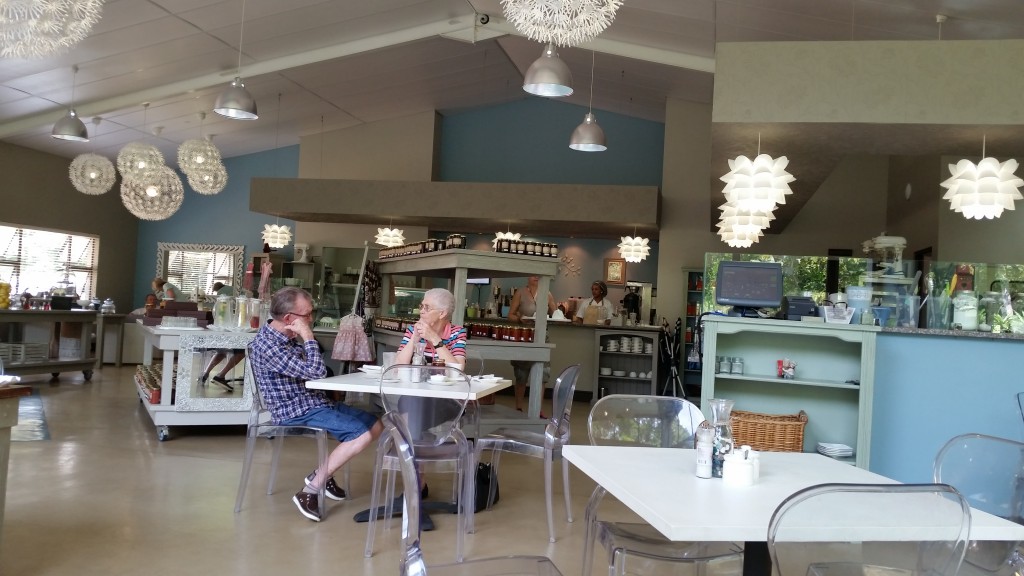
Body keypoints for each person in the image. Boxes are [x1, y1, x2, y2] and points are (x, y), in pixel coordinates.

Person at [248, 286, 383, 522]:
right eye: (307, 315)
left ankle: (322, 474)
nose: (311, 319)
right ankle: (310, 491)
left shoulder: (286, 338)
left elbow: (314, 365)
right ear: (289, 318)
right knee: (359, 433)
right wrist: (308, 336)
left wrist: (305, 338)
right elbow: (317, 372)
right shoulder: (268, 345)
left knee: (374, 425)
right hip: (293, 409)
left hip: (313, 401)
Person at [507, 275, 556, 412]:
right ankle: (518, 408)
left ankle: (537, 409)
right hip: (524, 336)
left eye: (539, 276)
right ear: (528, 277)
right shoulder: (520, 292)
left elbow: (555, 313)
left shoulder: (547, 293)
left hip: (542, 336)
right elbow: (510, 314)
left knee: (543, 373)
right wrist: (519, 318)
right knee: (521, 374)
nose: (536, 277)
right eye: (534, 275)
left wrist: (559, 312)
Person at [393, 287, 467, 369]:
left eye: (427, 307)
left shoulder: (457, 333)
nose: (421, 311)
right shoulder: (413, 330)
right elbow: (397, 367)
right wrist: (415, 338)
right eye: (421, 306)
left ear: (442, 313)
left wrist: (434, 338)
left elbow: (457, 370)